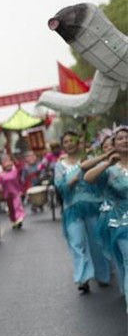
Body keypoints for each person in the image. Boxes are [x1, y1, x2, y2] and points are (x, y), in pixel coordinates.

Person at [55, 131, 110, 293]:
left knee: (96, 242)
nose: (69, 143)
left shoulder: (88, 158)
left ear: (78, 142)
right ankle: (83, 278)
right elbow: (60, 185)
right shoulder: (60, 165)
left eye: (72, 140)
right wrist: (71, 180)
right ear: (63, 145)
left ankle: (102, 275)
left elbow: (100, 179)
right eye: (66, 141)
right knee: (77, 242)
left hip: (92, 205)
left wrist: (89, 167)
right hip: (72, 209)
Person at [85, 126, 128, 299]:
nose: (125, 140)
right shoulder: (110, 169)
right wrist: (107, 162)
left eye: (127, 137)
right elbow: (88, 177)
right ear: (114, 145)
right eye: (120, 138)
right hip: (121, 222)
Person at [0, 156, 25, 229]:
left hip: (16, 192)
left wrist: (21, 190)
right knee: (11, 209)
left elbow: (20, 181)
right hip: (7, 194)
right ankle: (14, 221)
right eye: (6, 164)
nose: (8, 165)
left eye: (9, 163)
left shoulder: (15, 172)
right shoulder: (1, 175)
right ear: (3, 166)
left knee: (17, 205)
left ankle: (19, 218)